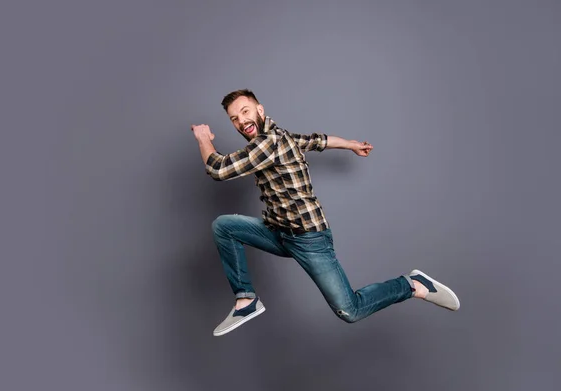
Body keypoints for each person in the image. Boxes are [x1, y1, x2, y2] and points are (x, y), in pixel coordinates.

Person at [190, 89, 460, 337]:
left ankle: (411, 284)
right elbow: (316, 141)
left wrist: (203, 139)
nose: (241, 121)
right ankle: (246, 300)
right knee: (224, 226)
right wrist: (351, 144)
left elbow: (218, 169)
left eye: (245, 111)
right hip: (280, 233)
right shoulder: (280, 137)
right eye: (234, 119)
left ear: (260, 110)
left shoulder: (268, 143)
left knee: (350, 310)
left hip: (309, 238)